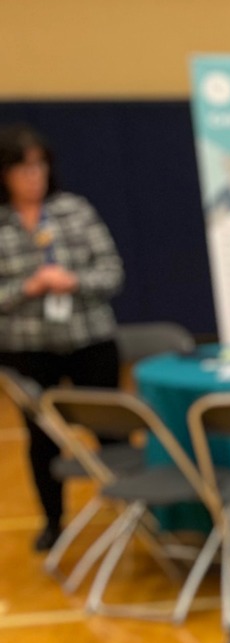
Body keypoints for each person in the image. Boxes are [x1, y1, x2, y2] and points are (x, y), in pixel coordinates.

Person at [0, 122, 124, 551]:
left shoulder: (76, 210)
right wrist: (25, 288)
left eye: (40, 166)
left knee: (111, 429)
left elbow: (112, 273)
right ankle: (53, 521)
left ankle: (131, 515)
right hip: (28, 347)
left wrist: (73, 280)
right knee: (41, 439)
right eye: (23, 168)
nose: (34, 176)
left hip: (89, 338)